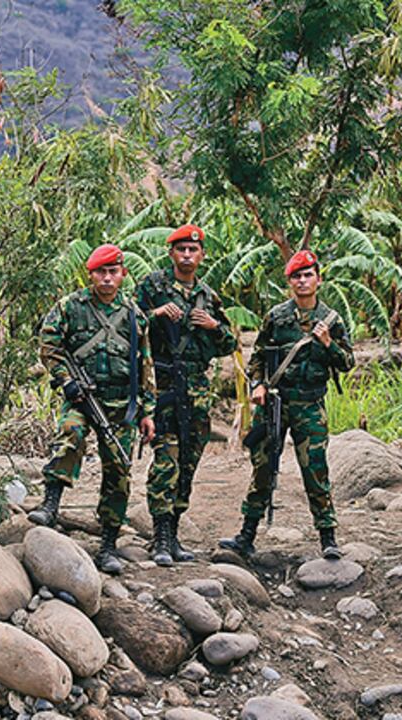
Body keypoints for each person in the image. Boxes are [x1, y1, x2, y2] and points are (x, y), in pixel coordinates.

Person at [219, 249, 353, 560]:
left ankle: (328, 538)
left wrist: (328, 344)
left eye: (308, 275)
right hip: (276, 402)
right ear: (289, 282)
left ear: (318, 279)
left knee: (315, 470)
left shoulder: (332, 320)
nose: (302, 281)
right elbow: (258, 359)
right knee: (263, 468)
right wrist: (258, 385)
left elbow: (347, 362)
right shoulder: (276, 317)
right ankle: (247, 535)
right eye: (296, 276)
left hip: (310, 405)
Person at [30, 243, 156, 574]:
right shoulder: (71, 306)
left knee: (118, 472)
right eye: (101, 272)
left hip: (120, 405)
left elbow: (145, 365)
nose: (107, 278)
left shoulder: (133, 315)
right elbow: (49, 344)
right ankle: (50, 504)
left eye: (113, 271)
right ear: (91, 275)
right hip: (81, 397)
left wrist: (146, 411)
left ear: (123, 274)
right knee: (71, 434)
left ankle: (109, 544)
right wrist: (64, 379)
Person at [135, 223, 237, 565]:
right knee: (166, 462)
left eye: (193, 250)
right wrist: (156, 314)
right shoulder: (154, 285)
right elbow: (129, 324)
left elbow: (229, 342)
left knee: (189, 464)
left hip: (197, 391)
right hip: (163, 386)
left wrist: (213, 326)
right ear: (172, 253)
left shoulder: (208, 295)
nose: (187, 255)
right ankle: (160, 538)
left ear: (202, 255)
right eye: (182, 250)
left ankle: (174, 534)